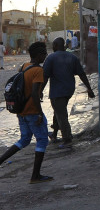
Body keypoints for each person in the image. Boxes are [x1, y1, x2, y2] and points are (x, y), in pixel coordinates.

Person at [0, 41, 53, 183]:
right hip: (32, 111)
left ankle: (1, 160)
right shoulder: (38, 71)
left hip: (21, 111)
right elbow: (35, 93)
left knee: (24, 139)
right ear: (39, 55)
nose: (45, 56)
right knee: (42, 140)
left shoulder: (24, 66)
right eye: (44, 54)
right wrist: (40, 112)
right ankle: (35, 176)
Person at [44, 36, 95, 149]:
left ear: (56, 46)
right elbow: (81, 74)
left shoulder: (51, 58)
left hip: (58, 92)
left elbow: (45, 76)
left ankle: (67, 138)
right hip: (69, 90)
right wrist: (89, 88)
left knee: (61, 114)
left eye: (53, 45)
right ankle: (54, 133)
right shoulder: (72, 57)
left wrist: (39, 91)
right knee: (58, 111)